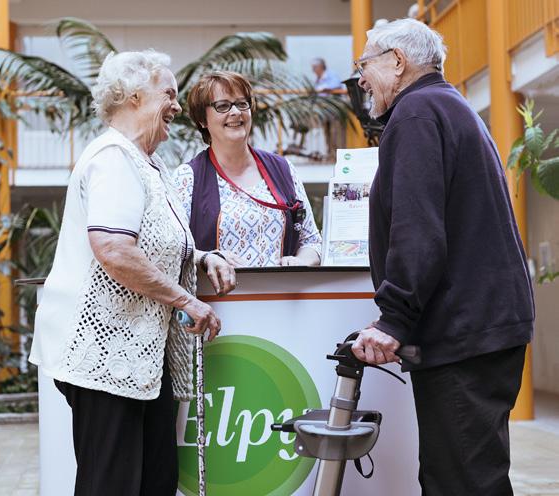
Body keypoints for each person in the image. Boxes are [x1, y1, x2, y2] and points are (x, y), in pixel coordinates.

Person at [29, 50, 235, 496]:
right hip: (104, 355)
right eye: (170, 94)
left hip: (141, 357)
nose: (177, 107)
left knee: (155, 480)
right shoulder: (112, 158)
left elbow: (154, 239)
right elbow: (114, 249)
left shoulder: (147, 164)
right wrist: (185, 299)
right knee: (114, 484)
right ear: (135, 96)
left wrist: (201, 257)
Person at [350, 18, 534, 495]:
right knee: (467, 473)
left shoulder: (416, 114)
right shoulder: (447, 106)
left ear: (397, 61)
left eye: (364, 64)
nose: (361, 77)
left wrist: (393, 319)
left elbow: (418, 230)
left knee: (460, 481)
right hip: (481, 327)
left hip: (464, 332)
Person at [174, 70, 322, 267]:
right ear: (202, 120)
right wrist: (206, 258)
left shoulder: (283, 169)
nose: (235, 112)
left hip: (282, 294)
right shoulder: (187, 178)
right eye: (223, 106)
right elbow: (174, 249)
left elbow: (311, 241)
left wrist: (300, 262)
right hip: (215, 297)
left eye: (242, 103)